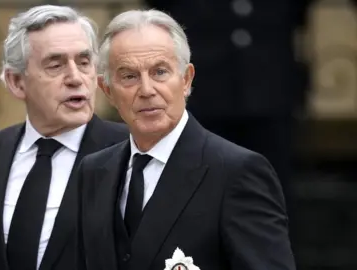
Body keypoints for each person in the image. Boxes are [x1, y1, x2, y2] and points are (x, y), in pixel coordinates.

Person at [76, 9, 295, 270]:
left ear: (186, 79)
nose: (147, 90)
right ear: (107, 90)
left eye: (159, 72)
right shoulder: (94, 171)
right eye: (129, 76)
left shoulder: (237, 173)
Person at [0, 5, 127, 270]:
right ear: (16, 82)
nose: (75, 78)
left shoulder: (132, 152)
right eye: (55, 65)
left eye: (84, 62)